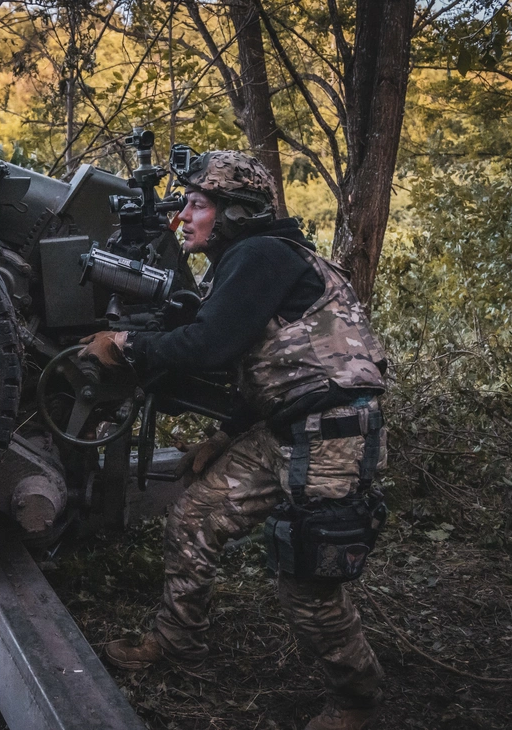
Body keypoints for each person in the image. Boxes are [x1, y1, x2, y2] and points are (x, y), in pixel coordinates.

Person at [79, 150, 388, 730]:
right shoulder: (249, 259)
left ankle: (357, 701)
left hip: (331, 435)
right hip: (286, 428)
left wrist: (124, 343)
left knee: (308, 580)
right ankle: (176, 642)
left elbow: (210, 346)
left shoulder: (260, 253)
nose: (185, 217)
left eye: (198, 205)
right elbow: (274, 362)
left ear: (235, 212)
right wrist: (225, 435)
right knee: (195, 516)